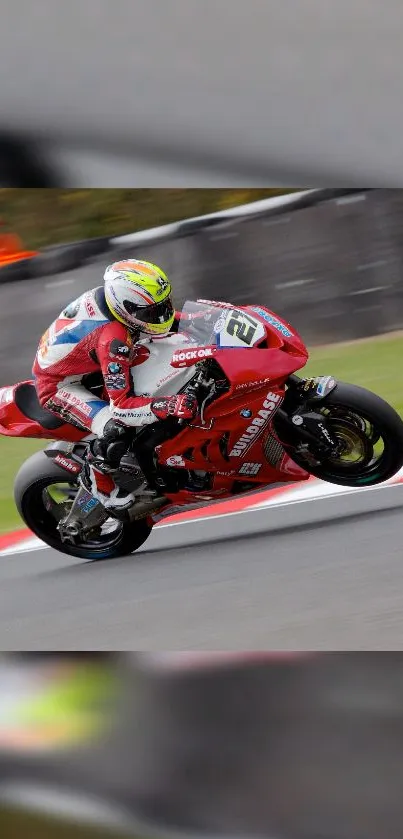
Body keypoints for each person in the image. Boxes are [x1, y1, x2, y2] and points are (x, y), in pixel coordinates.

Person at [33, 259, 198, 512]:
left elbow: (168, 321)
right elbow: (122, 407)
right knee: (116, 428)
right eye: (151, 313)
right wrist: (168, 405)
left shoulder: (117, 301)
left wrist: (198, 320)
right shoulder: (114, 340)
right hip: (60, 386)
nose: (161, 316)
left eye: (164, 306)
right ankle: (98, 481)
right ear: (126, 309)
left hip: (86, 364)